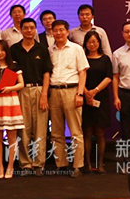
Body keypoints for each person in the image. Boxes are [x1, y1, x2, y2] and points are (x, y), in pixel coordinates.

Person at [10, 17, 52, 177]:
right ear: (21, 30)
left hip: (39, 90)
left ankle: (39, 164)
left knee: (40, 129)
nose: (28, 30)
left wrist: (44, 94)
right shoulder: (14, 49)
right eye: (25, 28)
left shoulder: (42, 49)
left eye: (31, 28)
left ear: (35, 30)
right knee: (23, 130)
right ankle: (25, 164)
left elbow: (47, 73)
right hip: (21, 91)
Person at [48, 20, 89, 178]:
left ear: (67, 32)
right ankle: (61, 164)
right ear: (52, 32)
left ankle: (78, 165)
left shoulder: (76, 49)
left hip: (72, 91)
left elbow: (82, 72)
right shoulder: (49, 50)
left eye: (61, 30)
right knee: (56, 132)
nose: (58, 33)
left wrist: (80, 93)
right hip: (54, 92)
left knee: (75, 131)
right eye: (55, 30)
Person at [0, 40, 25, 179]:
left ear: (6, 52)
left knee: (12, 136)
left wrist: (10, 88)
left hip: (11, 101)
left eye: (2, 50)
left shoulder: (14, 65)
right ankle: (0, 167)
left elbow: (21, 84)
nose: (0, 53)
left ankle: (10, 166)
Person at [81, 31, 112, 174]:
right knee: (87, 132)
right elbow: (79, 76)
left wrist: (94, 91)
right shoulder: (82, 58)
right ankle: (87, 164)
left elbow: (109, 77)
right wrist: (86, 92)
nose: (92, 44)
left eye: (94, 41)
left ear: (99, 43)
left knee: (100, 133)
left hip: (101, 98)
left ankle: (100, 164)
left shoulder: (105, 59)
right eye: (89, 42)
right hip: (85, 97)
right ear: (85, 43)